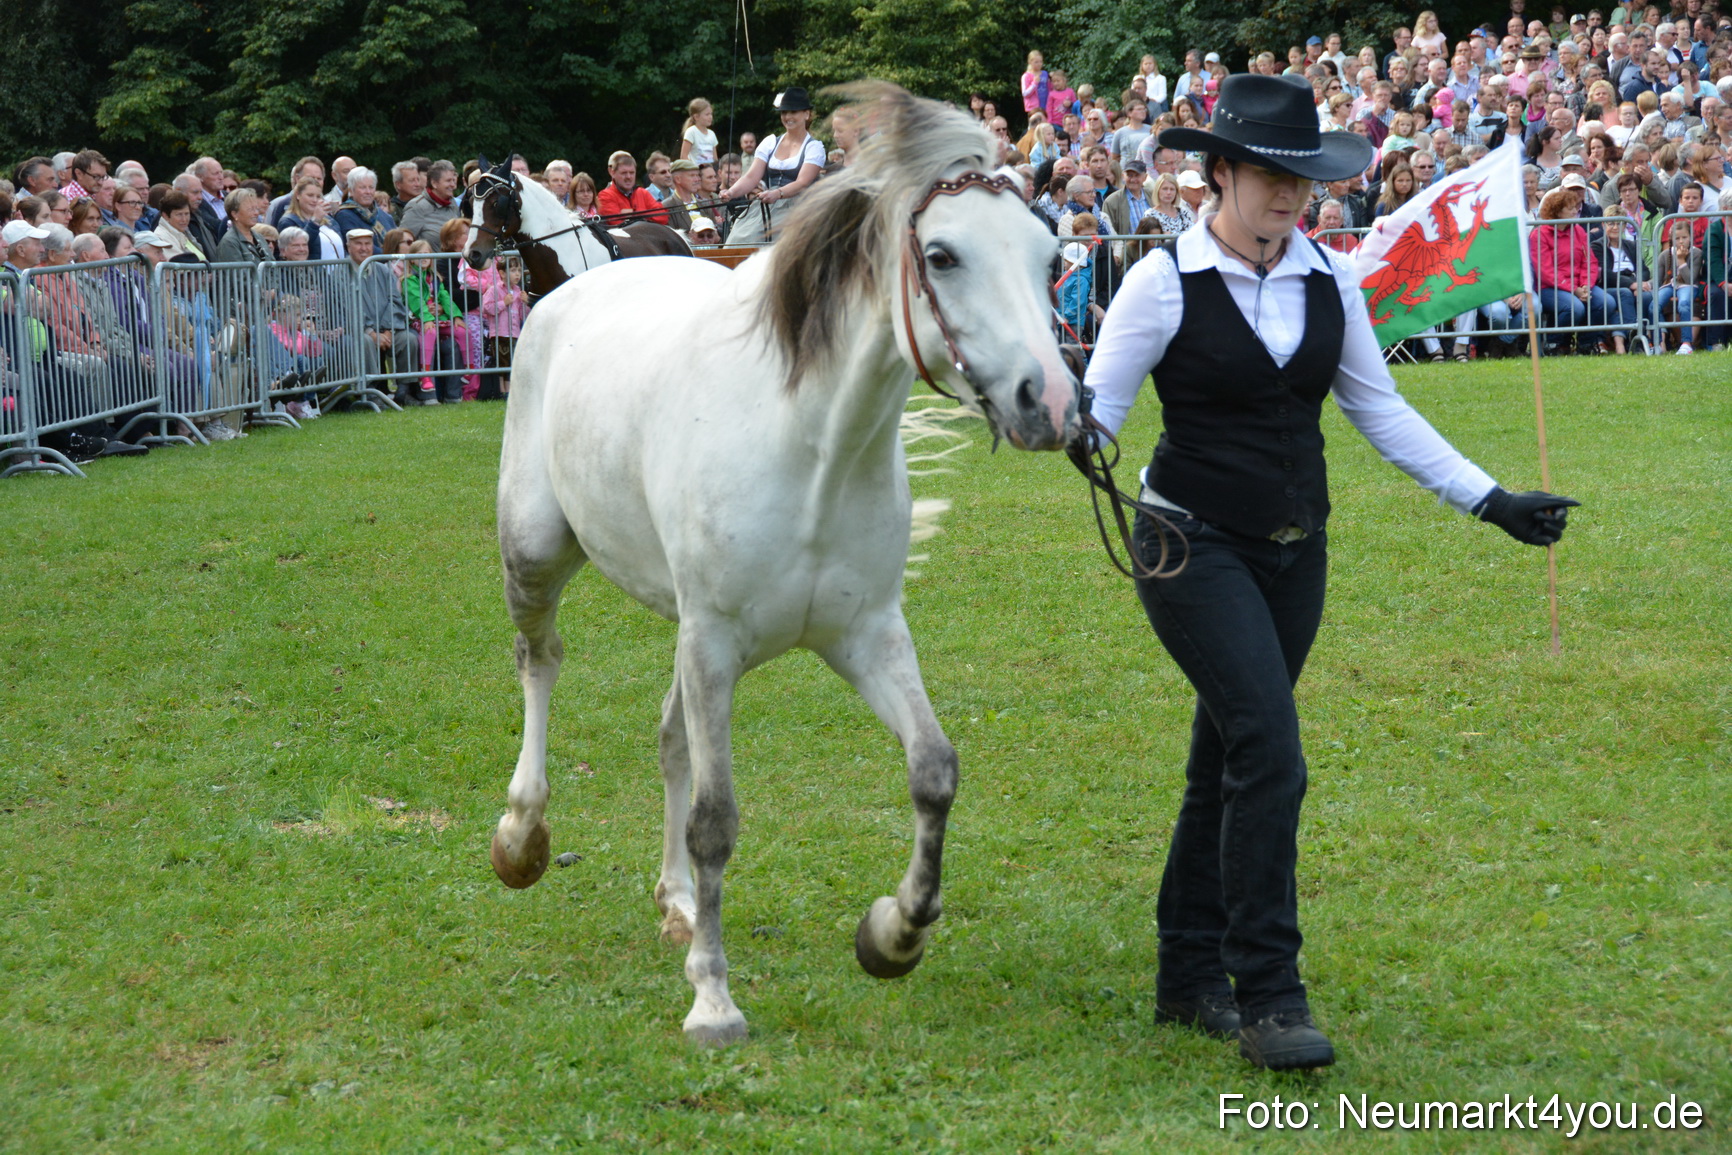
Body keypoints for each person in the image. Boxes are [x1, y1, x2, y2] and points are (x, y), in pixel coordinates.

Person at [1079, 73, 1576, 1072]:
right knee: (1270, 749)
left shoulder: (1324, 274)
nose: (1289, 196)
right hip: (1186, 544)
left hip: (1294, 550)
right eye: (1268, 176)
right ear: (1215, 173)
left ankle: (1186, 976)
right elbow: (1094, 413)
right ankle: (1268, 994)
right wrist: (1048, 420)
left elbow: (1376, 407)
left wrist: (1490, 499)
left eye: (1301, 179)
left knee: (1225, 757)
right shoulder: (1160, 282)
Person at [719, 88, 827, 241]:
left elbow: (802, 182)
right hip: (767, 204)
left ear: (806, 114)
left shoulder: (813, 147)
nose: (787, 117)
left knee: (763, 239)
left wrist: (777, 193)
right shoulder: (771, 142)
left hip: (797, 207)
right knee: (737, 238)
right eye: (784, 113)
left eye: (793, 112)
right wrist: (731, 192)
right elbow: (751, 177)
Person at [596, 151, 668, 225]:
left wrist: (630, 213)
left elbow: (663, 217)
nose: (628, 177)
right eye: (624, 173)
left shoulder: (643, 193)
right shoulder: (605, 196)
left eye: (632, 173)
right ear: (613, 173)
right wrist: (644, 215)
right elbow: (618, 223)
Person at [214, 188, 272, 264]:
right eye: (251, 209)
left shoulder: (259, 237)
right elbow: (237, 274)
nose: (256, 213)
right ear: (234, 214)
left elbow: (273, 267)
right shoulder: (229, 242)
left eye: (257, 209)